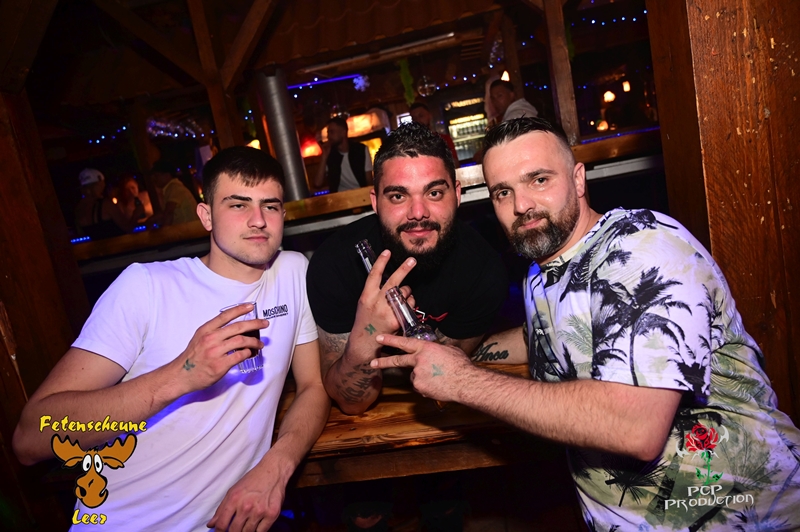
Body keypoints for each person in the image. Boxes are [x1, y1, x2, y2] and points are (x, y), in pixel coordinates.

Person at [371, 118, 800, 531]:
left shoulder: (642, 250)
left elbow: (636, 427)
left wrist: (463, 380)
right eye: (503, 192)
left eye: (539, 180)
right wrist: (449, 353)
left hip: (747, 515)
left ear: (578, 180)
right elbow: (544, 335)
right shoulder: (542, 270)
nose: (522, 205)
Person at [14, 147, 330, 531]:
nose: (258, 220)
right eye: (238, 205)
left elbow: (313, 387)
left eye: (271, 206)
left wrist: (276, 467)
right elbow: (31, 438)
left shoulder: (292, 272)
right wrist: (182, 374)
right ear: (206, 216)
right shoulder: (146, 287)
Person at [307, 120, 507, 416]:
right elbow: (352, 401)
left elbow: (435, 378)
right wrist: (366, 337)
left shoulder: (483, 270)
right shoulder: (334, 264)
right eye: (398, 196)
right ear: (375, 202)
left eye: (434, 193)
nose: (418, 213)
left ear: (457, 194)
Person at [74, 168, 145, 239]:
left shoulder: (79, 209)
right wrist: (137, 213)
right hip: (119, 244)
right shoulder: (106, 205)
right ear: (96, 185)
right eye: (102, 184)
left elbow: (81, 233)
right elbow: (128, 228)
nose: (104, 186)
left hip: (97, 245)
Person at [313, 117, 374, 193]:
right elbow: (317, 183)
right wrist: (324, 156)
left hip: (360, 195)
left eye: (332, 132)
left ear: (343, 132)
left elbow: (369, 180)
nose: (329, 136)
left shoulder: (361, 150)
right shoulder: (331, 154)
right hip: (339, 198)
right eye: (328, 133)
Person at [148, 160, 199, 226]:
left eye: (156, 176)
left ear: (167, 175)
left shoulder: (174, 188)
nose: (154, 179)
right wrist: (152, 220)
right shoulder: (173, 187)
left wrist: (165, 230)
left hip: (189, 230)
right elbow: (165, 213)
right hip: (189, 228)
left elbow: (169, 213)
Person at [409, 102, 460, 167]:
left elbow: (455, 164)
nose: (417, 120)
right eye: (414, 118)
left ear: (429, 116)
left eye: (421, 116)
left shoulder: (444, 139)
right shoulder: (410, 144)